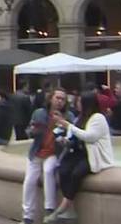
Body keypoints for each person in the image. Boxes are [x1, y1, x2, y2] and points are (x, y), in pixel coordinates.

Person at [45, 91, 115, 223]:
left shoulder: (98, 118)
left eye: (79, 102)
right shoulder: (80, 118)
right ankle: (69, 211)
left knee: (77, 173)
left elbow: (90, 137)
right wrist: (66, 140)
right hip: (80, 152)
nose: (76, 104)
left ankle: (63, 207)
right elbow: (75, 138)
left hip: (94, 155)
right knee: (63, 170)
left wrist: (68, 125)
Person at [21, 88, 75, 224]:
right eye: (57, 98)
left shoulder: (68, 116)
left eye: (62, 99)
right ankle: (27, 216)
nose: (60, 101)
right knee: (30, 180)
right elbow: (29, 130)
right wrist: (33, 131)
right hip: (37, 152)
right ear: (51, 99)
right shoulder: (39, 113)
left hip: (53, 153)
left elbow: (73, 134)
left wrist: (63, 127)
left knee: (48, 171)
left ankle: (49, 209)